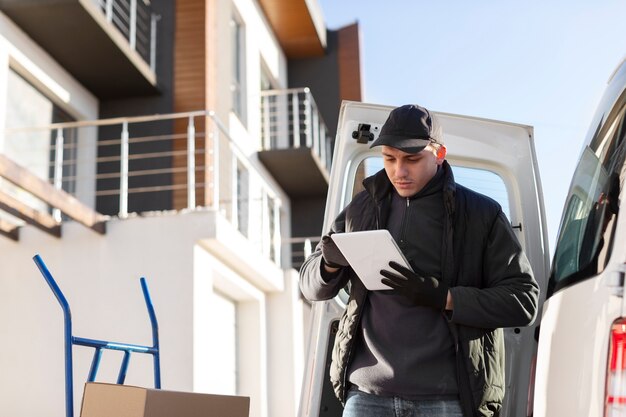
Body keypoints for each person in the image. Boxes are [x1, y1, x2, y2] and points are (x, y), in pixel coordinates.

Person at [299, 104, 539, 417]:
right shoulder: (361, 210)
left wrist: (446, 297)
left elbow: (524, 300)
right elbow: (310, 287)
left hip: (447, 400)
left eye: (412, 159)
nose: (399, 170)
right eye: (389, 158)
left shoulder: (482, 215)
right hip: (367, 398)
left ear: (439, 154)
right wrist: (328, 264)